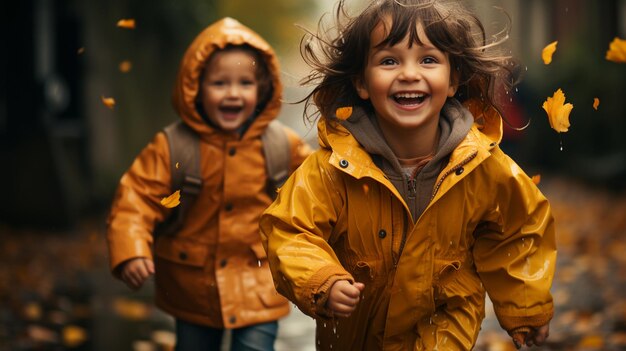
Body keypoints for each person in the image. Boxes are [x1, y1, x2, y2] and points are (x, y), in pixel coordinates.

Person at [259, 0, 556, 350]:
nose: (409, 73)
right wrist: (321, 280)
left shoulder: (483, 164)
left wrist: (526, 307)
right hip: (358, 332)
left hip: (445, 323)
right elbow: (289, 228)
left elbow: (518, 230)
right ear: (362, 82)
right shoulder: (332, 168)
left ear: (453, 78)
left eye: (428, 59)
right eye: (389, 61)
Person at [106, 17, 312, 350]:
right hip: (193, 287)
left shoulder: (282, 146)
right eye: (219, 83)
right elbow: (136, 198)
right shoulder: (174, 146)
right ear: (195, 88)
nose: (233, 93)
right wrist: (130, 249)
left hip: (259, 280)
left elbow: (320, 194)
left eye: (245, 83)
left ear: (262, 89)